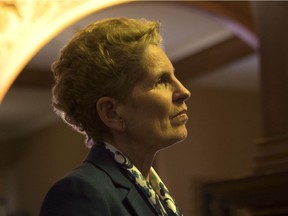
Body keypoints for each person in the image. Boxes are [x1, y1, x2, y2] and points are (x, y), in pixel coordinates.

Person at [39, 17, 190, 216]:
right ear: (112, 113)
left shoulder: (156, 194)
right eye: (161, 80)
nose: (184, 91)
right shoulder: (81, 193)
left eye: (174, 76)